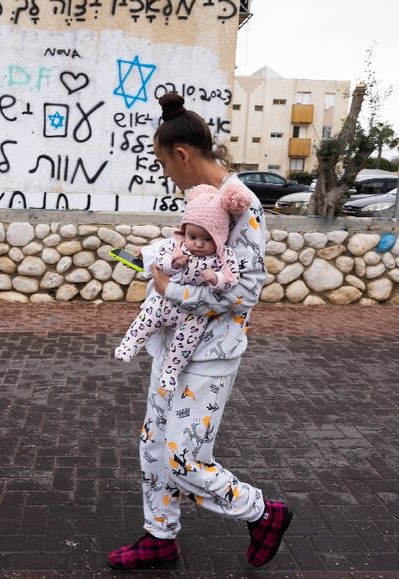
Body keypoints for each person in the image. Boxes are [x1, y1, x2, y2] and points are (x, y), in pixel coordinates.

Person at [108, 92, 292, 570]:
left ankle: (260, 512)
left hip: (211, 355)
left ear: (183, 155)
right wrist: (162, 263)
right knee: (153, 444)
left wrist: (174, 293)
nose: (165, 173)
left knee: (182, 458)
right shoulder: (201, 197)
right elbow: (191, 257)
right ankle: (160, 536)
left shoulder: (241, 202)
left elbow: (244, 292)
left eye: (165, 163)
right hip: (173, 350)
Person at [114, 183, 250, 393]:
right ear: (184, 231)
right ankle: (129, 344)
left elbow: (232, 279)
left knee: (185, 343)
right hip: (165, 301)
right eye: (193, 237)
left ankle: (171, 371)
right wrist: (173, 264)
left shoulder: (224, 256)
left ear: (219, 237)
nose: (199, 244)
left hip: (193, 312)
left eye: (208, 239)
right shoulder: (176, 246)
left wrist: (216, 278)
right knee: (146, 318)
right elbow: (159, 259)